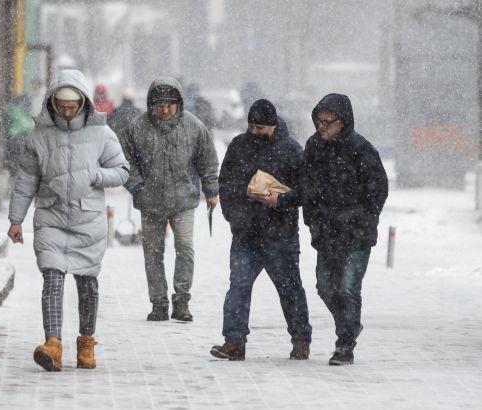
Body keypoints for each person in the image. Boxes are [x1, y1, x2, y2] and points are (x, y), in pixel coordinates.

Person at [7, 69, 129, 372]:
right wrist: (16, 219)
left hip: (88, 219)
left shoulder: (102, 133)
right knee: (52, 279)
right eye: (61, 105)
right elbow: (26, 180)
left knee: (87, 284)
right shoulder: (38, 137)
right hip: (51, 216)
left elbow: (122, 170)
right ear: (52, 102)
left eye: (72, 105)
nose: (67, 110)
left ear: (83, 103)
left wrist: (97, 175)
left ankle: (86, 343)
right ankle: (53, 344)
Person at [210, 99, 312, 361]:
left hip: (280, 234)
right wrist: (233, 215)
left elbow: (306, 190)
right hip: (245, 233)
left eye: (260, 127)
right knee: (238, 286)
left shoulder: (291, 150)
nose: (254, 132)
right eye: (251, 126)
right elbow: (226, 182)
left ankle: (301, 340)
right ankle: (234, 341)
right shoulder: (238, 145)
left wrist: (281, 201)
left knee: (290, 289)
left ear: (273, 125)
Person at [119, 77, 219, 322]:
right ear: (151, 104)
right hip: (149, 200)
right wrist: (138, 188)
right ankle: (158, 303)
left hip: (184, 199)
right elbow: (125, 162)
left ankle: (182, 299)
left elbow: (207, 160)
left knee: (184, 247)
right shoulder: (137, 128)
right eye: (159, 105)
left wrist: (211, 190)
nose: (165, 110)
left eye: (170, 105)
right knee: (153, 253)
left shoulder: (194, 127)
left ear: (179, 104)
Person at [301, 93, 388, 365]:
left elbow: (378, 190)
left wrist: (361, 219)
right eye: (319, 120)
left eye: (329, 121)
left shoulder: (361, 149)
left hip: (356, 233)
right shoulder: (313, 146)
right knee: (325, 287)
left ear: (344, 121)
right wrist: (314, 220)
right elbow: (308, 186)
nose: (322, 126)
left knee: (349, 287)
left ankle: (345, 345)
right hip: (327, 232)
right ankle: (349, 324)